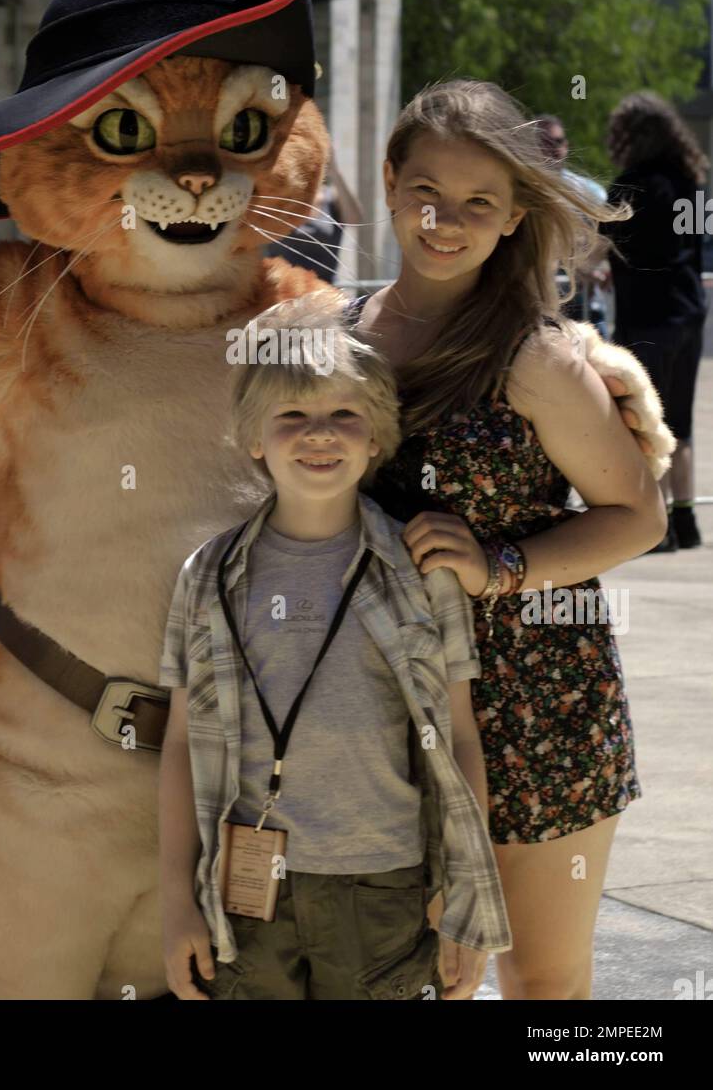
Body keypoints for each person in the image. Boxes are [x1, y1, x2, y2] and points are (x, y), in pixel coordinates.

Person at [345, 78, 666, 1001]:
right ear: (391, 183)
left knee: (542, 985)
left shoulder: (535, 356)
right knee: (406, 976)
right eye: (427, 193)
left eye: (479, 202)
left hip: (536, 706)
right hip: (372, 707)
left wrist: (503, 567)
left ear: (515, 213)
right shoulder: (340, 335)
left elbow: (637, 514)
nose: (446, 220)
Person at [157, 292, 511, 1001]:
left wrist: (465, 903)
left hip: (385, 886)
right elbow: (179, 746)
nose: (320, 434)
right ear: (254, 439)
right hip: (245, 893)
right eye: (292, 417)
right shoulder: (207, 578)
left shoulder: (421, 573)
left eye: (344, 416)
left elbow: (461, 737)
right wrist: (174, 902)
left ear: (377, 437)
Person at [602, 91, 709, 552]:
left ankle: (659, 527)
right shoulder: (691, 183)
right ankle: (686, 521)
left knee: (648, 423)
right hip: (688, 313)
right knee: (680, 421)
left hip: (647, 316)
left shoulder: (630, 186)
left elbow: (602, 241)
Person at [535, 113, 609, 333]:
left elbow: (606, 242)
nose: (553, 148)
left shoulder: (589, 192)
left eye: (558, 141)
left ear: (566, 145)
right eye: (545, 142)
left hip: (586, 304)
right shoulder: (521, 190)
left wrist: (597, 268)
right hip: (538, 306)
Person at [264, 151, 363, 281]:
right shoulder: (280, 197)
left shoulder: (332, 199)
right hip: (281, 289)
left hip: (324, 290)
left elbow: (355, 220)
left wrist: (335, 171)